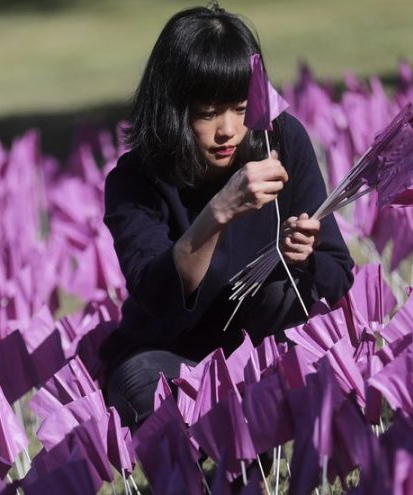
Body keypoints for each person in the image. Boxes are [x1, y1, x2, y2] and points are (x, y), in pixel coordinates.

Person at [100, 4, 354, 427]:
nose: (228, 130)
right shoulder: (135, 180)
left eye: (240, 107)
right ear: (173, 108)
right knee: (140, 385)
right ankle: (202, 485)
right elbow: (158, 298)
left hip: (261, 347)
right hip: (173, 354)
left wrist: (305, 255)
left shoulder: (282, 140)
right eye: (207, 113)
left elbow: (338, 273)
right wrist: (219, 212)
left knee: (296, 307)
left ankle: (261, 457)